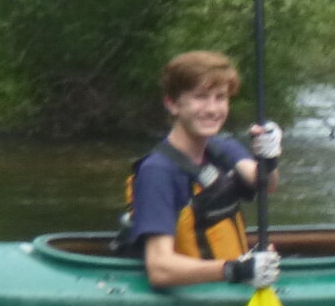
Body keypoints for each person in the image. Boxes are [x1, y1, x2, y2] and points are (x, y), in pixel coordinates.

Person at [121, 50, 283, 290]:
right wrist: (235, 269)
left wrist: (270, 157)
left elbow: (266, 183)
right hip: (199, 285)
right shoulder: (157, 172)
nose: (212, 109)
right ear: (173, 104)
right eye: (200, 97)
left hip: (231, 278)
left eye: (220, 97)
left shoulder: (223, 148)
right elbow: (159, 269)